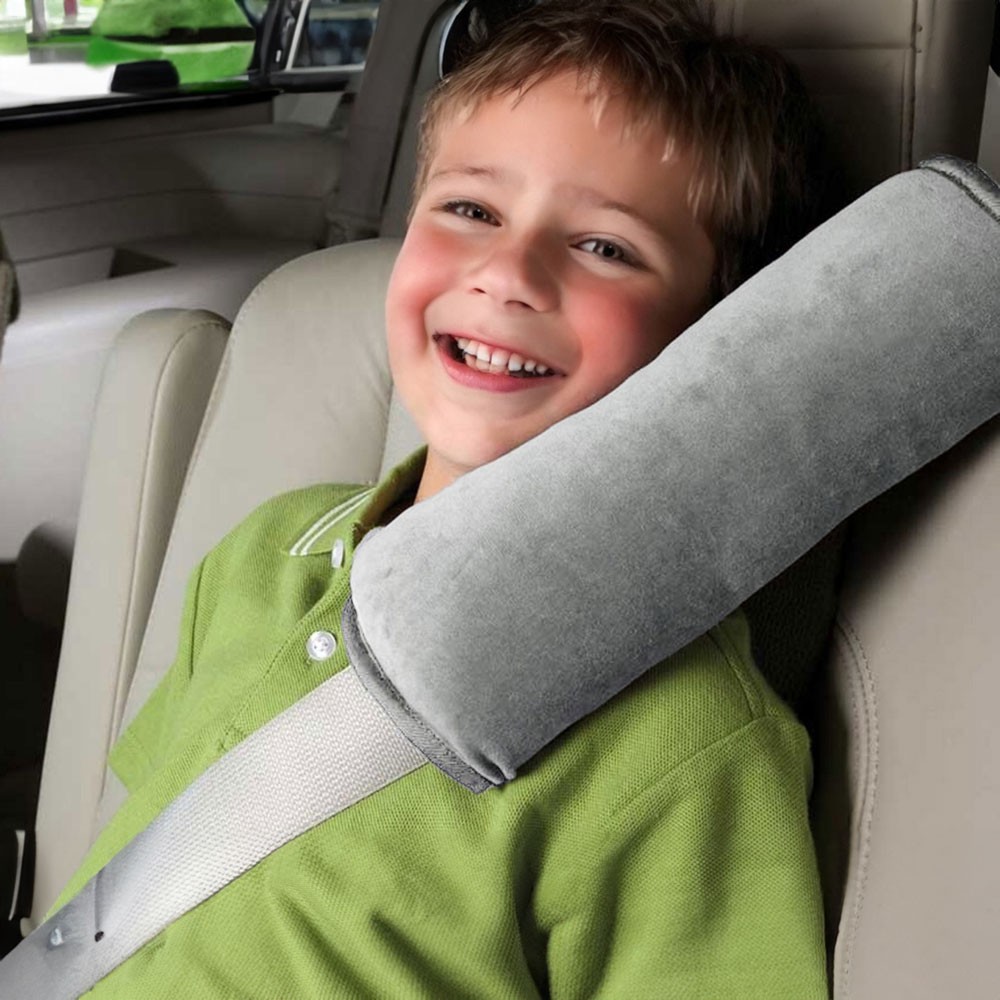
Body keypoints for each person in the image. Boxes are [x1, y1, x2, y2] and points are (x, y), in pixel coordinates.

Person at [49, 2, 833, 996]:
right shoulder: (266, 553)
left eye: (605, 246)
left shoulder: (689, 735)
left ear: (713, 332)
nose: (507, 272)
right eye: (471, 210)